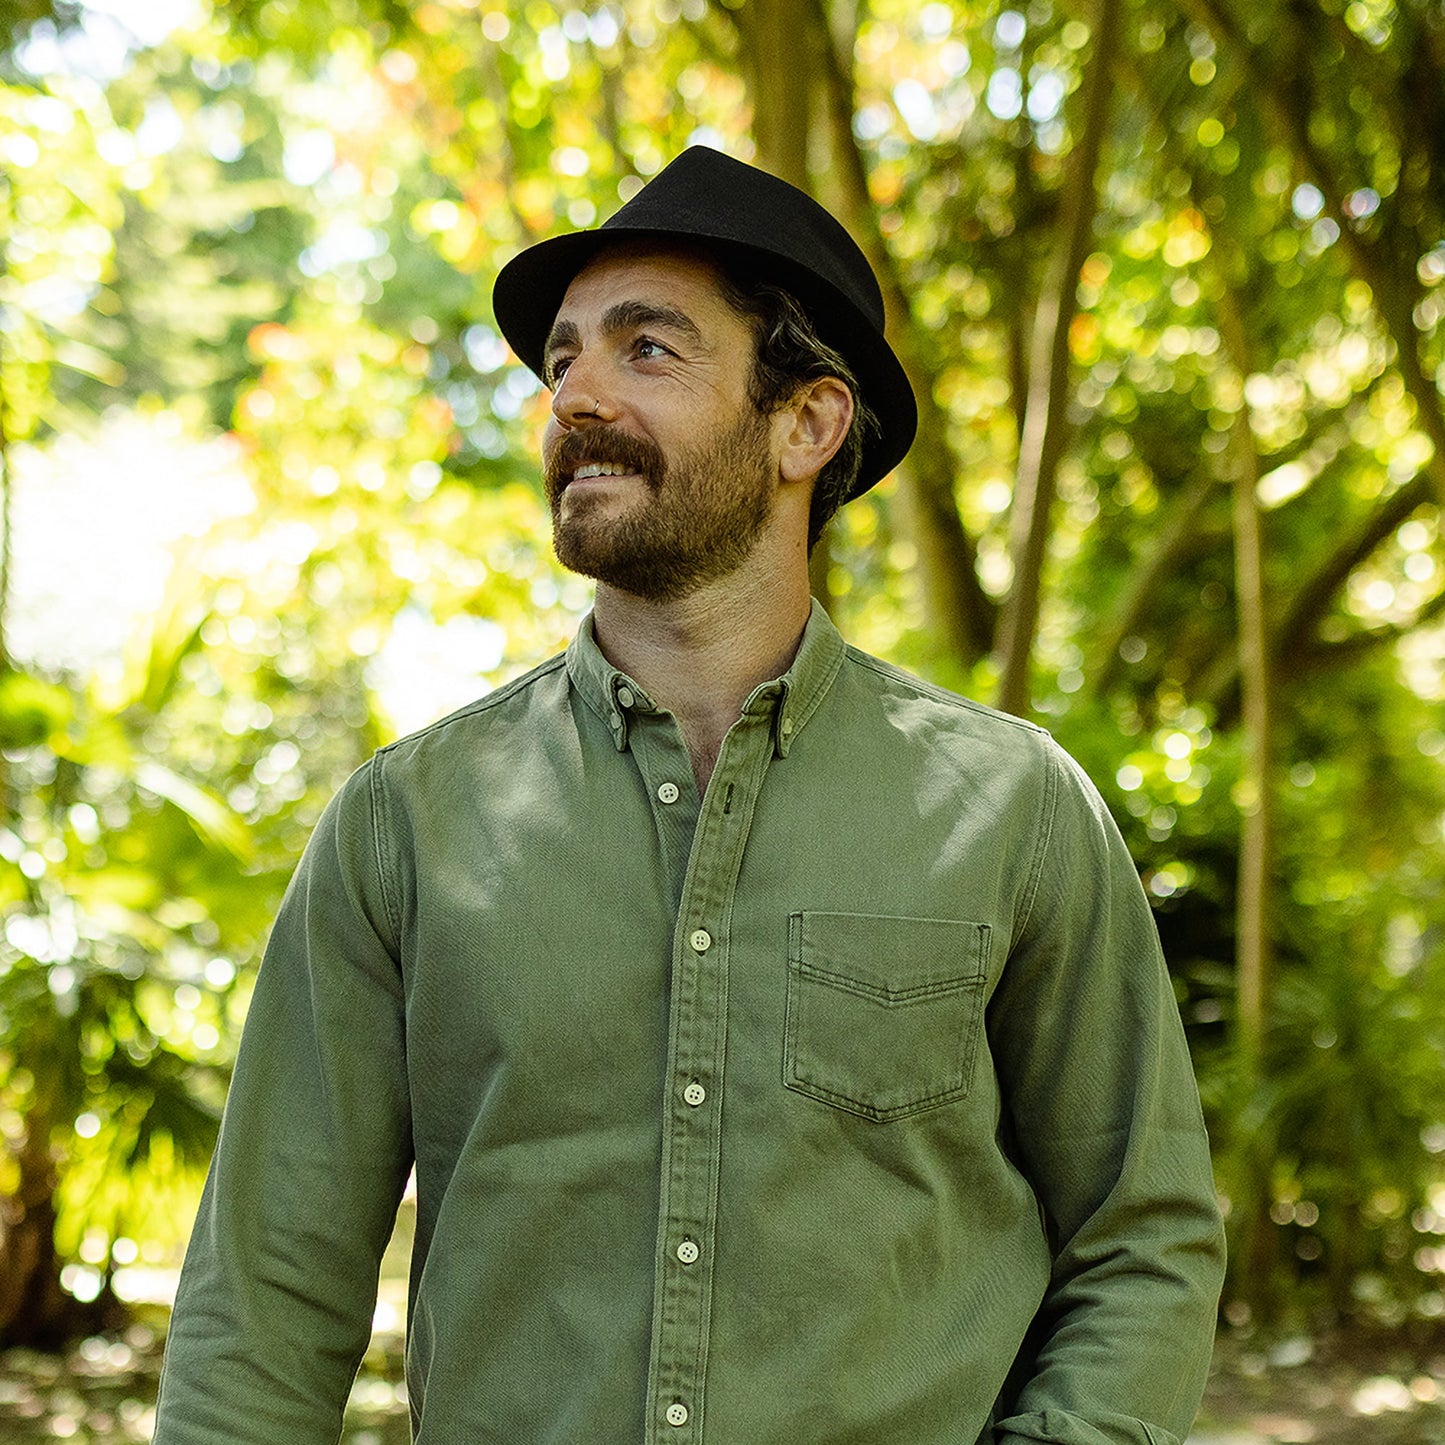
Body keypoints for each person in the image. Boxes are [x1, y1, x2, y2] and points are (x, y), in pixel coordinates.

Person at [154, 146, 1225, 1444]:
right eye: (562, 361)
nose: (576, 397)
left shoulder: (1012, 811)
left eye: (647, 349)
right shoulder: (408, 824)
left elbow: (1141, 1236)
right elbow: (262, 1303)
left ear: (806, 424)